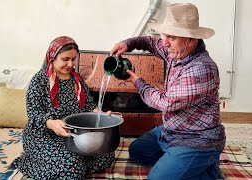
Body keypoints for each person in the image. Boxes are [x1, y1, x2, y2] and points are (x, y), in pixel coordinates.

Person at [110, 3, 226, 180]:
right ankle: (181, 163)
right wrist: (128, 43)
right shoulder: (177, 50)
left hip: (197, 140)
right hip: (171, 131)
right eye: (165, 36)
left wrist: (138, 82)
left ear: (191, 39)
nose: (165, 43)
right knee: (136, 152)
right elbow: (149, 42)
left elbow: (165, 103)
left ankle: (207, 168)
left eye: (171, 37)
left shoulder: (201, 69)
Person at [12, 36, 115, 179]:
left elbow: (89, 106)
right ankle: (30, 160)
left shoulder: (77, 80)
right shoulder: (40, 80)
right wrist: (51, 123)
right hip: (44, 135)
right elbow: (33, 114)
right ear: (52, 57)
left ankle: (73, 163)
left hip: (72, 133)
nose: (70, 64)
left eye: (73, 59)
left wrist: (101, 115)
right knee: (72, 164)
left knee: (106, 153)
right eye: (65, 59)